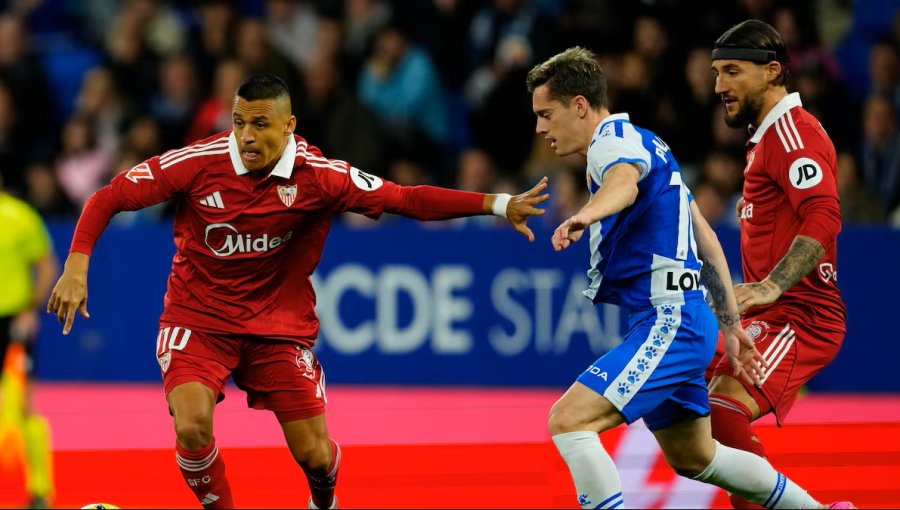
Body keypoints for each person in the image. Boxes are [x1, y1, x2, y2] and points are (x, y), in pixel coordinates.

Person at [46, 74, 549, 510]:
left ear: (289, 126)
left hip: (277, 329)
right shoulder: (199, 162)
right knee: (192, 426)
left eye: (260, 124)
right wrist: (76, 264)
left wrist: (499, 204)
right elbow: (109, 196)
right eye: (239, 121)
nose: (245, 135)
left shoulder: (321, 177)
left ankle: (323, 496)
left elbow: (406, 198)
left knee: (314, 455)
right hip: (197, 319)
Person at [526, 46, 855, 509]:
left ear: (579, 105)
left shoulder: (610, 144)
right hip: (682, 318)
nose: (540, 128)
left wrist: (585, 214)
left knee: (569, 421)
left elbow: (623, 183)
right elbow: (707, 242)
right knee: (695, 455)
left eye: (546, 114)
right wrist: (731, 324)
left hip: (670, 319)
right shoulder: (649, 143)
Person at [707, 20, 849, 510]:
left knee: (722, 409)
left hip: (802, 313)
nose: (719, 85)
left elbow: (825, 213)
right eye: (716, 72)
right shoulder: (765, 138)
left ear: (772, 72)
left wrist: (773, 285)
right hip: (767, 314)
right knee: (690, 403)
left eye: (732, 72)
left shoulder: (792, 133)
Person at [0, 175, 58, 508]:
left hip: (11, 323)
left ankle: (39, 490)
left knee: (23, 405)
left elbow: (47, 266)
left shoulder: (20, 216)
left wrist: (30, 309)